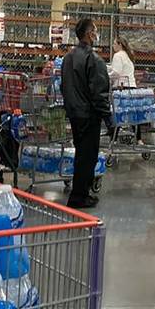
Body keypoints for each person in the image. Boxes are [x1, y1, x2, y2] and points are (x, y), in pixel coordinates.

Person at [60, 18, 112, 209]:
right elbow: (99, 93)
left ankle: (81, 192)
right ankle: (79, 196)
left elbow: (63, 85)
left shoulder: (68, 57)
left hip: (74, 112)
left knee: (81, 153)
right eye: (95, 31)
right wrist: (108, 117)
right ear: (90, 34)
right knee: (87, 156)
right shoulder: (94, 59)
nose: (97, 35)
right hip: (89, 114)